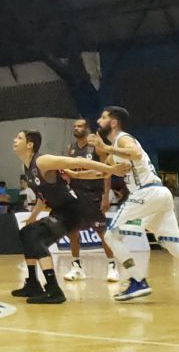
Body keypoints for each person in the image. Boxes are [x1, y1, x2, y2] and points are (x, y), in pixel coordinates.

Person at [89, 106, 179, 304]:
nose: (99, 121)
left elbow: (134, 152)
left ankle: (137, 280)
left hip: (147, 193)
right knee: (172, 244)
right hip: (159, 197)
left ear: (114, 122)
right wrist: (73, 173)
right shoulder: (116, 150)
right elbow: (103, 172)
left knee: (110, 235)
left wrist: (107, 148)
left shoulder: (123, 139)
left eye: (103, 117)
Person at [9, 129, 127, 305]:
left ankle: (54, 291)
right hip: (60, 211)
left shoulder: (42, 160)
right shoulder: (25, 166)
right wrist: (33, 216)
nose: (14, 140)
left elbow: (78, 161)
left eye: (19, 138)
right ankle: (33, 283)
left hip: (74, 210)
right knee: (26, 233)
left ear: (30, 144)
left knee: (34, 236)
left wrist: (110, 169)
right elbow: (42, 196)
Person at [62, 119, 118, 283]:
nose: (76, 128)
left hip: (94, 193)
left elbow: (106, 172)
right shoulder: (70, 148)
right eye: (74, 126)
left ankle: (112, 266)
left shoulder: (95, 146)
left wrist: (106, 196)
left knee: (102, 232)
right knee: (73, 231)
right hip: (76, 193)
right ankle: (76, 267)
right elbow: (68, 170)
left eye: (79, 126)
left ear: (87, 128)